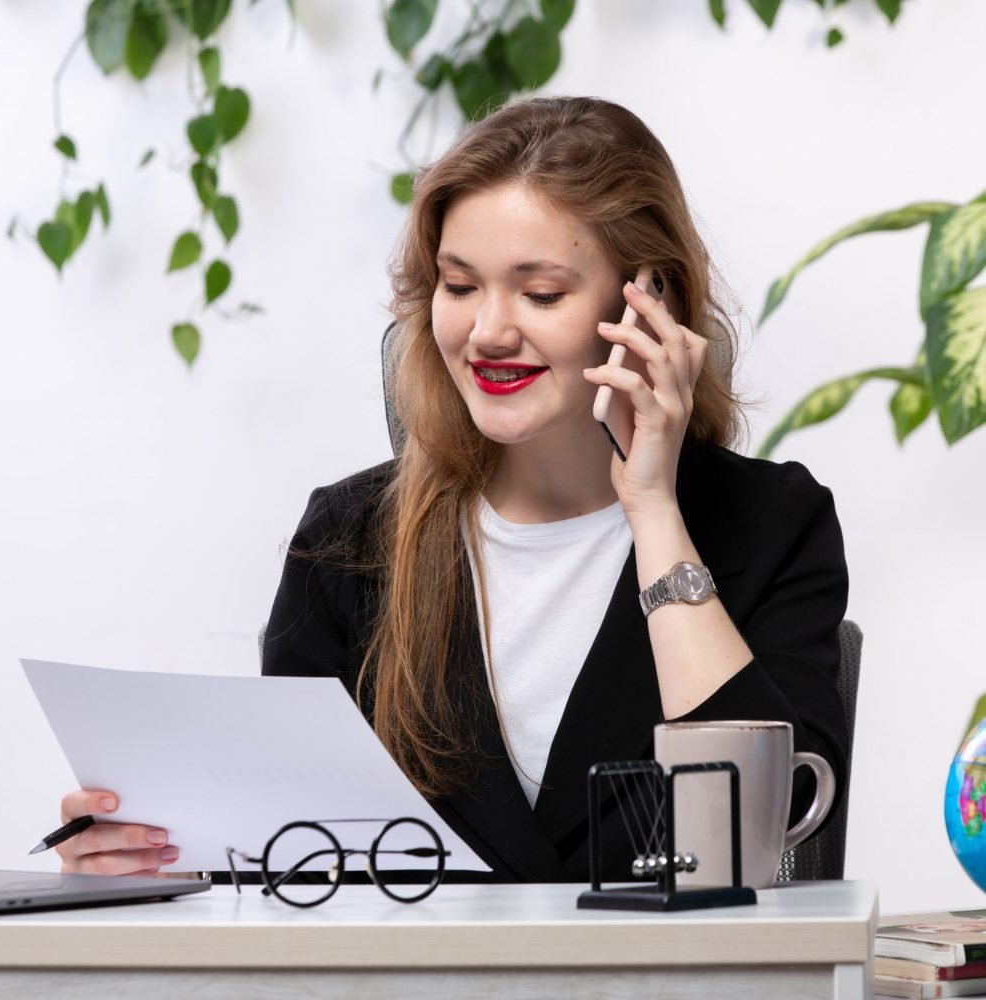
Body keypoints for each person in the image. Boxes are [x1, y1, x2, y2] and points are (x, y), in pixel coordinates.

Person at [57, 96, 848, 881]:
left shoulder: (773, 523)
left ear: (648, 302)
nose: (488, 332)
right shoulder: (348, 538)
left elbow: (773, 832)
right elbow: (293, 856)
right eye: (460, 285)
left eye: (541, 293)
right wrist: (167, 862)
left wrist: (654, 511)